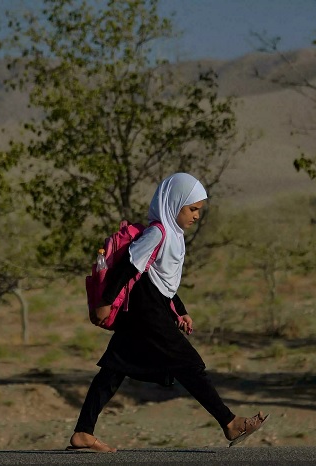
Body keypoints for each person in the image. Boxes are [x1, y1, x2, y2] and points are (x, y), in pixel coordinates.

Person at [67, 173, 268, 453]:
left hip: (153, 307)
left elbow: (165, 281)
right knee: (189, 363)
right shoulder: (158, 232)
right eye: (192, 209)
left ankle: (83, 432)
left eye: (199, 210)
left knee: (114, 369)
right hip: (145, 310)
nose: (196, 216)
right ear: (174, 204)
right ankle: (230, 422)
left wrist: (180, 311)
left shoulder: (174, 235)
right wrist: (106, 300)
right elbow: (128, 266)